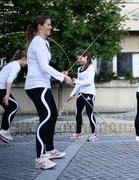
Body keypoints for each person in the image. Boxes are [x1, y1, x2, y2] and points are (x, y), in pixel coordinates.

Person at [25, 15, 72, 170]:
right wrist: (62, 76)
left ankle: (50, 150)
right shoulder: (38, 42)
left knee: (53, 114)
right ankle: (40, 157)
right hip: (37, 86)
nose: (50, 27)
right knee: (45, 118)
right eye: (48, 24)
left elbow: (42, 67)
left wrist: (58, 75)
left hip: (43, 84)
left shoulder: (44, 42)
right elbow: (44, 66)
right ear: (40, 26)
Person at [69, 51, 97, 142]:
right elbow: (78, 84)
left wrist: (77, 81)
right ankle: (78, 133)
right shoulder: (79, 69)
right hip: (81, 94)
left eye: (80, 58)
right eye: (78, 58)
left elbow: (89, 82)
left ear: (86, 57)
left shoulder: (91, 67)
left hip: (89, 94)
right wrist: (72, 94)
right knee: (78, 114)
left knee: (90, 113)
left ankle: (94, 134)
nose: (79, 60)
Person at [0, 50, 27, 143]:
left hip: (1, 88)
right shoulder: (16, 66)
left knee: (9, 108)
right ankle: (4, 130)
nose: (26, 64)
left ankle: (4, 131)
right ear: (23, 59)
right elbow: (9, 80)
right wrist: (7, 94)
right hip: (1, 89)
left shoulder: (11, 64)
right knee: (14, 107)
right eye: (26, 61)